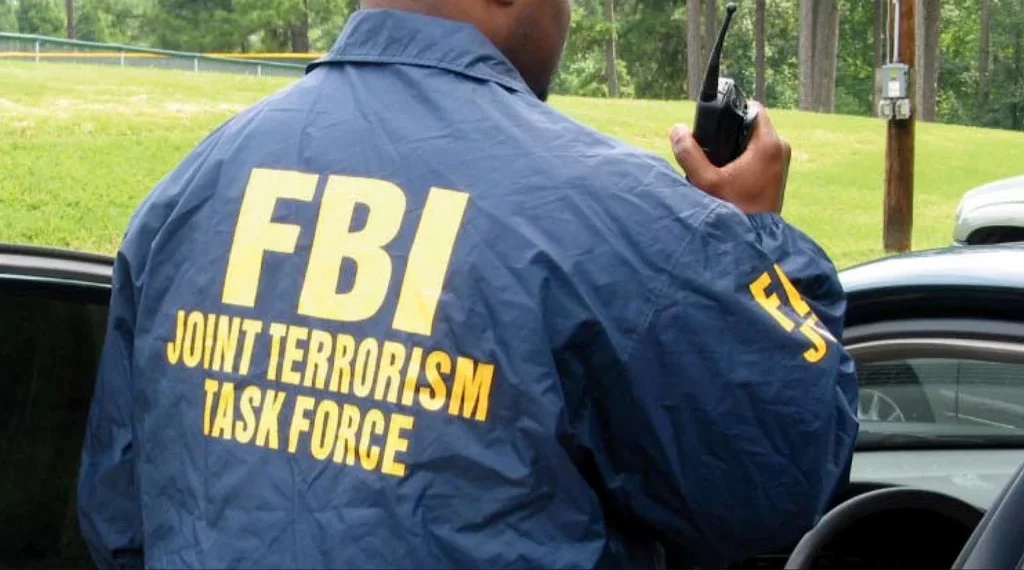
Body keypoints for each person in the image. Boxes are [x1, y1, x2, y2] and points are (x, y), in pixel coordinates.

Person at [76, 0, 859, 568]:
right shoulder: (620, 217)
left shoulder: (185, 196)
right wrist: (751, 239)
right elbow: (780, 470)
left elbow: (120, 517)